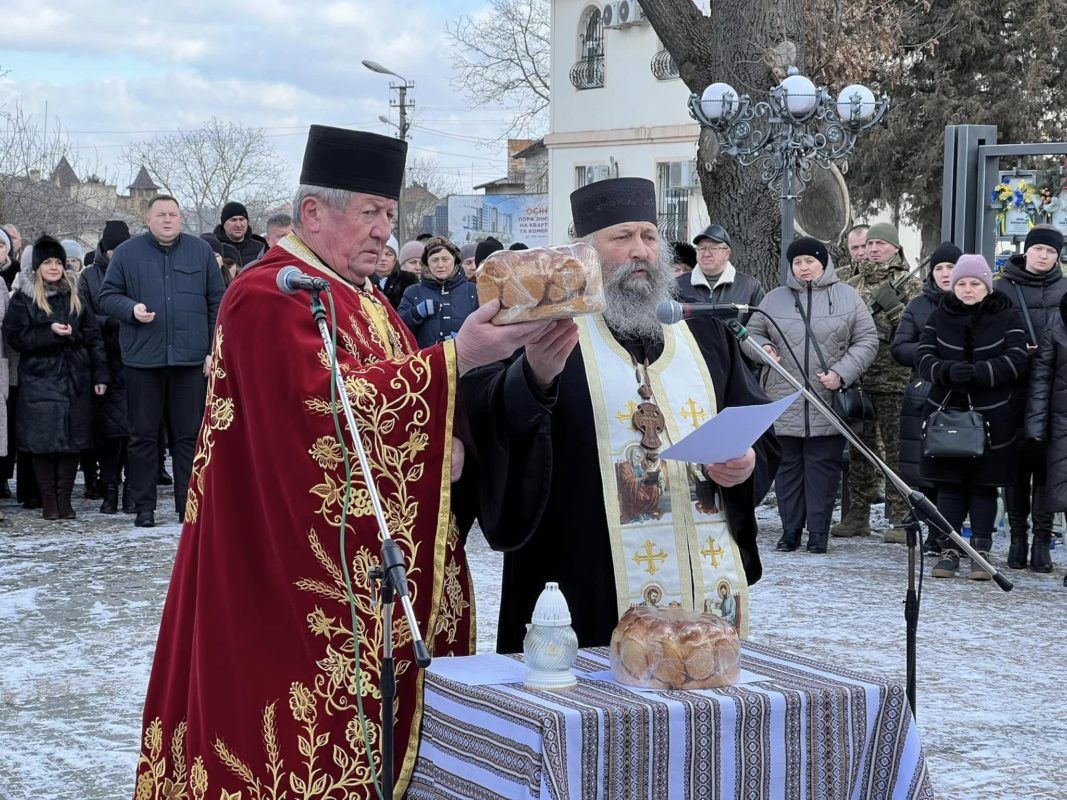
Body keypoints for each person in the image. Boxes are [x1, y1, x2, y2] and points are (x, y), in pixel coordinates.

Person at [133, 125, 553, 799]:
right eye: (370, 213)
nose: (385, 231)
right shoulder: (270, 294)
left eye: (390, 216)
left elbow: (396, 395)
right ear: (312, 214)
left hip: (361, 577)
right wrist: (458, 360)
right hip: (278, 571)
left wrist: (458, 415)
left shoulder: (362, 295)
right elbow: (318, 413)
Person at [462, 177, 781, 652]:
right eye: (622, 237)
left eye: (649, 237)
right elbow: (489, 418)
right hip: (583, 574)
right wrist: (534, 379)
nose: (641, 251)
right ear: (585, 252)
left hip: (700, 582)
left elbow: (754, 425)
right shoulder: (544, 330)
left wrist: (748, 463)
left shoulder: (704, 332)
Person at [99, 195, 225, 528]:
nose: (168, 220)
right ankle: (144, 507)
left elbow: (218, 303)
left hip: (190, 359)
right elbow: (107, 296)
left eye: (173, 214)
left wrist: (213, 350)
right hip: (143, 359)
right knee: (142, 436)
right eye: (161, 215)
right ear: (148, 219)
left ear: (181, 218)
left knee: (188, 436)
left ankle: (189, 505)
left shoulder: (200, 252)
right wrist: (131, 310)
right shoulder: (128, 254)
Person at [746, 236, 877, 554]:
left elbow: (867, 339)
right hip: (783, 395)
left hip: (826, 398)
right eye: (798, 262)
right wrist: (763, 348)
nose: (804, 268)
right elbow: (751, 331)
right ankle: (790, 530)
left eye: (810, 261)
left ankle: (818, 532)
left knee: (823, 468)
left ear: (824, 263)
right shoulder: (774, 299)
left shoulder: (847, 297)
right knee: (787, 468)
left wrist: (841, 373)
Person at [916, 255, 1028, 579]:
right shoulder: (940, 314)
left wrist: (981, 372)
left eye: (975, 283)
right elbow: (923, 356)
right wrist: (948, 370)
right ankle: (950, 548)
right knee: (949, 486)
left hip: (992, 415)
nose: (967, 289)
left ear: (986, 286)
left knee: (983, 487)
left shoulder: (1007, 314)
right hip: (947, 413)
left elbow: (1018, 357)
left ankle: (981, 549)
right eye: (962, 283)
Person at [2, 235, 107, 520]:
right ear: (37, 266)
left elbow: (93, 336)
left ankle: (65, 499)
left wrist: (100, 374)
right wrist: (48, 333)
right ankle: (49, 500)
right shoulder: (24, 297)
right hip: (39, 379)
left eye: (58, 262)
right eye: (47, 262)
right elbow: (15, 336)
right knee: (43, 442)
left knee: (73, 441)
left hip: (75, 377)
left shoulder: (75, 294)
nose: (53, 267)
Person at [832, 222, 924, 542]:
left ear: (895, 248)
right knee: (860, 449)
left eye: (881, 244)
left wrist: (894, 307)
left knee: (896, 453)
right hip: (858, 376)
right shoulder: (850, 282)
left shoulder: (911, 284)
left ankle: (901, 517)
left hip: (895, 379)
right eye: (870, 244)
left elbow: (916, 331)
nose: (873, 249)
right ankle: (859, 513)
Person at [992, 224, 1065, 570]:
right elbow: (993, 331)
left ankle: (1042, 541)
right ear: (1027, 249)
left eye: (1051, 252)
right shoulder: (1003, 286)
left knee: (1049, 468)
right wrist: (1017, 348)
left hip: (1056, 392)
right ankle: (1017, 538)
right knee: (1016, 468)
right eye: (1039, 249)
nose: (1044, 256)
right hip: (1013, 387)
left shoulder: (1065, 289)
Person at [891, 241, 960, 553]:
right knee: (925, 470)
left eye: (951, 268)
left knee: (957, 469)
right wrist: (931, 353)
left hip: (962, 398)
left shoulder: (978, 302)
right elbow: (900, 347)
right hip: (925, 396)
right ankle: (932, 535)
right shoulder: (918, 306)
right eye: (940, 268)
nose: (946, 274)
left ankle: (955, 536)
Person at [79, 221, 135, 514]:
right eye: (112, 249)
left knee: (132, 431)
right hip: (102, 358)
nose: (117, 254)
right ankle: (110, 485)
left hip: (134, 357)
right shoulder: (89, 276)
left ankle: (129, 489)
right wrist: (114, 319)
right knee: (108, 433)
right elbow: (84, 316)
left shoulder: (136, 269)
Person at [1025, 290, 1067, 579]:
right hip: (1061, 422)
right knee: (1059, 488)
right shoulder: (1058, 321)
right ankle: (1038, 541)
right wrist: (1036, 427)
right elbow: (1041, 377)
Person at [398, 236, 479, 347]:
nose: (440, 265)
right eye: (434, 260)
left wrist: (463, 339)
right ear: (427, 263)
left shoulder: (473, 291)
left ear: (455, 260)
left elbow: (485, 329)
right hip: (426, 360)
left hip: (465, 359)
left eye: (445, 259)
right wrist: (416, 313)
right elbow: (398, 331)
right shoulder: (413, 292)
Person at [675, 224, 764, 324]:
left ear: (727, 253)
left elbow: (759, 328)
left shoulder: (749, 286)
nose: (706, 254)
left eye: (713, 248)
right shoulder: (678, 285)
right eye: (702, 248)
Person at [212, 201, 267, 268]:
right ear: (223, 223)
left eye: (241, 219)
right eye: (233, 220)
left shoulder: (261, 248)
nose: (238, 225)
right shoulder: (213, 249)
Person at [371, 235, 416, 308]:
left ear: (395, 259)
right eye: (379, 253)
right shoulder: (362, 280)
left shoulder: (408, 281)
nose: (383, 258)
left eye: (388, 254)